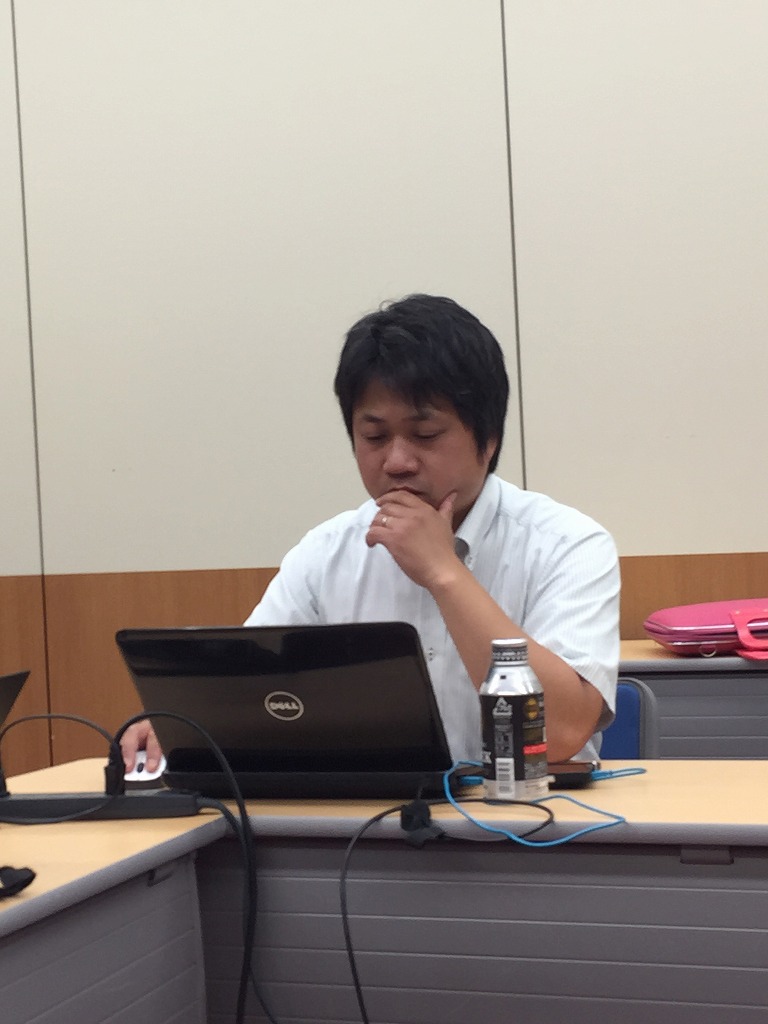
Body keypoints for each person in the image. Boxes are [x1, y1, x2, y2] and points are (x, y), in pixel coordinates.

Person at [122, 294, 619, 771]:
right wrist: (181, 725)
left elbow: (562, 732)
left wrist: (444, 573)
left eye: (425, 435)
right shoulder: (325, 554)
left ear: (488, 439)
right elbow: (245, 692)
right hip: (367, 820)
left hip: (533, 818)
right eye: (374, 436)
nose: (397, 461)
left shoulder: (568, 545)